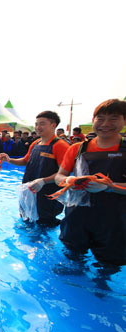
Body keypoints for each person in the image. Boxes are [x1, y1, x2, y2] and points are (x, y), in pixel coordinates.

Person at [55, 99, 126, 265]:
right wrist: (69, 180)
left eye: (113, 119)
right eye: (100, 119)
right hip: (77, 216)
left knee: (110, 263)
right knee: (72, 254)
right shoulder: (77, 148)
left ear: (124, 121)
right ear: (93, 120)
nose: (105, 124)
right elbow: (59, 176)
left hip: (114, 219)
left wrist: (109, 187)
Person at [0, 111, 70, 226]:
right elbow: (25, 161)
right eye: (36, 124)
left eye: (42, 124)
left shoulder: (60, 145)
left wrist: (43, 181)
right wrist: (9, 160)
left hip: (47, 195)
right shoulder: (35, 143)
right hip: (30, 192)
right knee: (27, 221)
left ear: (53, 125)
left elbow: (64, 174)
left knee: (44, 225)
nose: (38, 127)